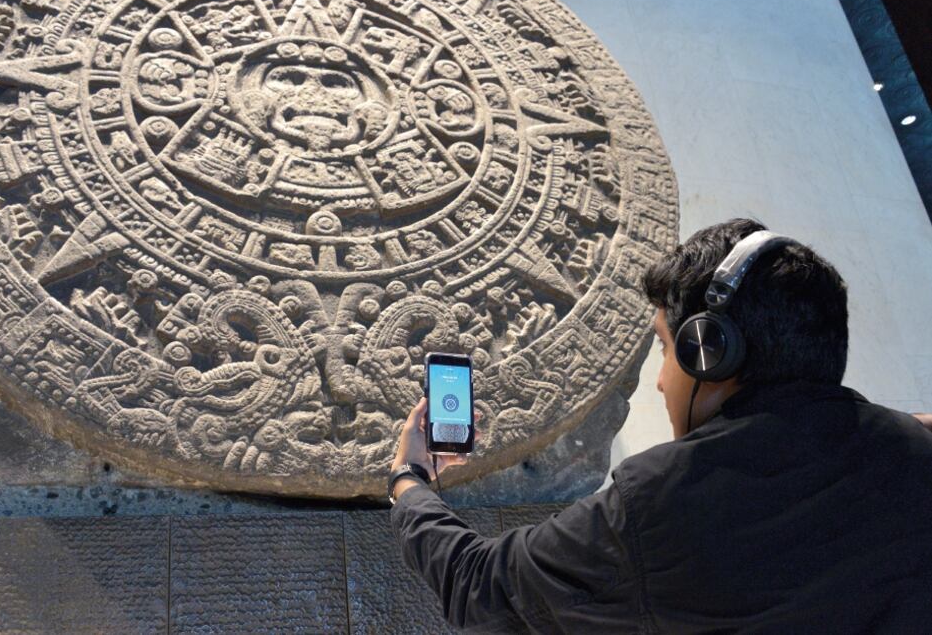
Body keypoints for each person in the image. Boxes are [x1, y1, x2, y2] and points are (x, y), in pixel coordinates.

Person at [389, 218, 932, 633]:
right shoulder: (910, 447)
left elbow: (480, 585)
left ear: (710, 353)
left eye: (668, 350)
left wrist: (408, 480)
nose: (660, 382)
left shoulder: (657, 502)